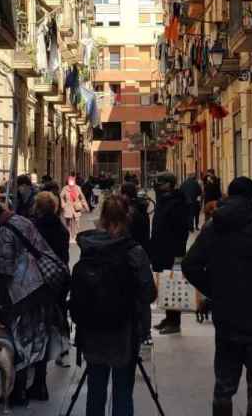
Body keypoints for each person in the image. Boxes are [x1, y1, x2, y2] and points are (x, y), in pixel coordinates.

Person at [182, 177, 252, 416]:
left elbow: (190, 265)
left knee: (224, 386)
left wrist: (215, 289)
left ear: (229, 196)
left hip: (227, 319)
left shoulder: (213, 227)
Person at [75, 195, 157, 416]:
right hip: (124, 331)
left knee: (96, 390)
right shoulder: (134, 252)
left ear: (101, 218)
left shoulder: (88, 248)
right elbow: (149, 294)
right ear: (126, 219)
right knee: (122, 392)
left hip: (92, 331)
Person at [0, 199, 70, 406]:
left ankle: (19, 392)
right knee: (41, 336)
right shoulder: (24, 221)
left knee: (21, 339)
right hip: (45, 286)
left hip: (25, 291)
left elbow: (5, 268)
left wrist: (1, 295)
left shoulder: (4, 231)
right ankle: (40, 386)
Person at [32, 191, 72, 368]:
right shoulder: (61, 228)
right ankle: (62, 350)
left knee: (38, 315)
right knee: (59, 313)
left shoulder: (33, 227)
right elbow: (64, 256)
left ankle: (38, 352)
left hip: (39, 277)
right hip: (59, 276)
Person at [149, 172, 190, 335]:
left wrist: (178, 252)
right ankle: (168, 317)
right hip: (160, 249)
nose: (157, 185)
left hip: (172, 251)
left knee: (173, 286)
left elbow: (182, 229)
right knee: (164, 285)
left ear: (170, 184)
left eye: (161, 182)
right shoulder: (163, 199)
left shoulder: (177, 202)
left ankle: (175, 321)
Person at [120, 181, 151, 255]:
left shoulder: (133, 210)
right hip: (140, 248)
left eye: (122, 193)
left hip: (134, 250)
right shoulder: (139, 206)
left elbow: (130, 231)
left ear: (126, 194)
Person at [60, 173, 88, 240]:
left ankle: (75, 235)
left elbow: (82, 198)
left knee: (77, 222)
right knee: (68, 223)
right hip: (68, 207)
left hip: (76, 207)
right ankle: (69, 235)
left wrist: (86, 206)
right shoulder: (65, 188)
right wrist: (63, 204)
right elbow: (61, 197)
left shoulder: (78, 188)